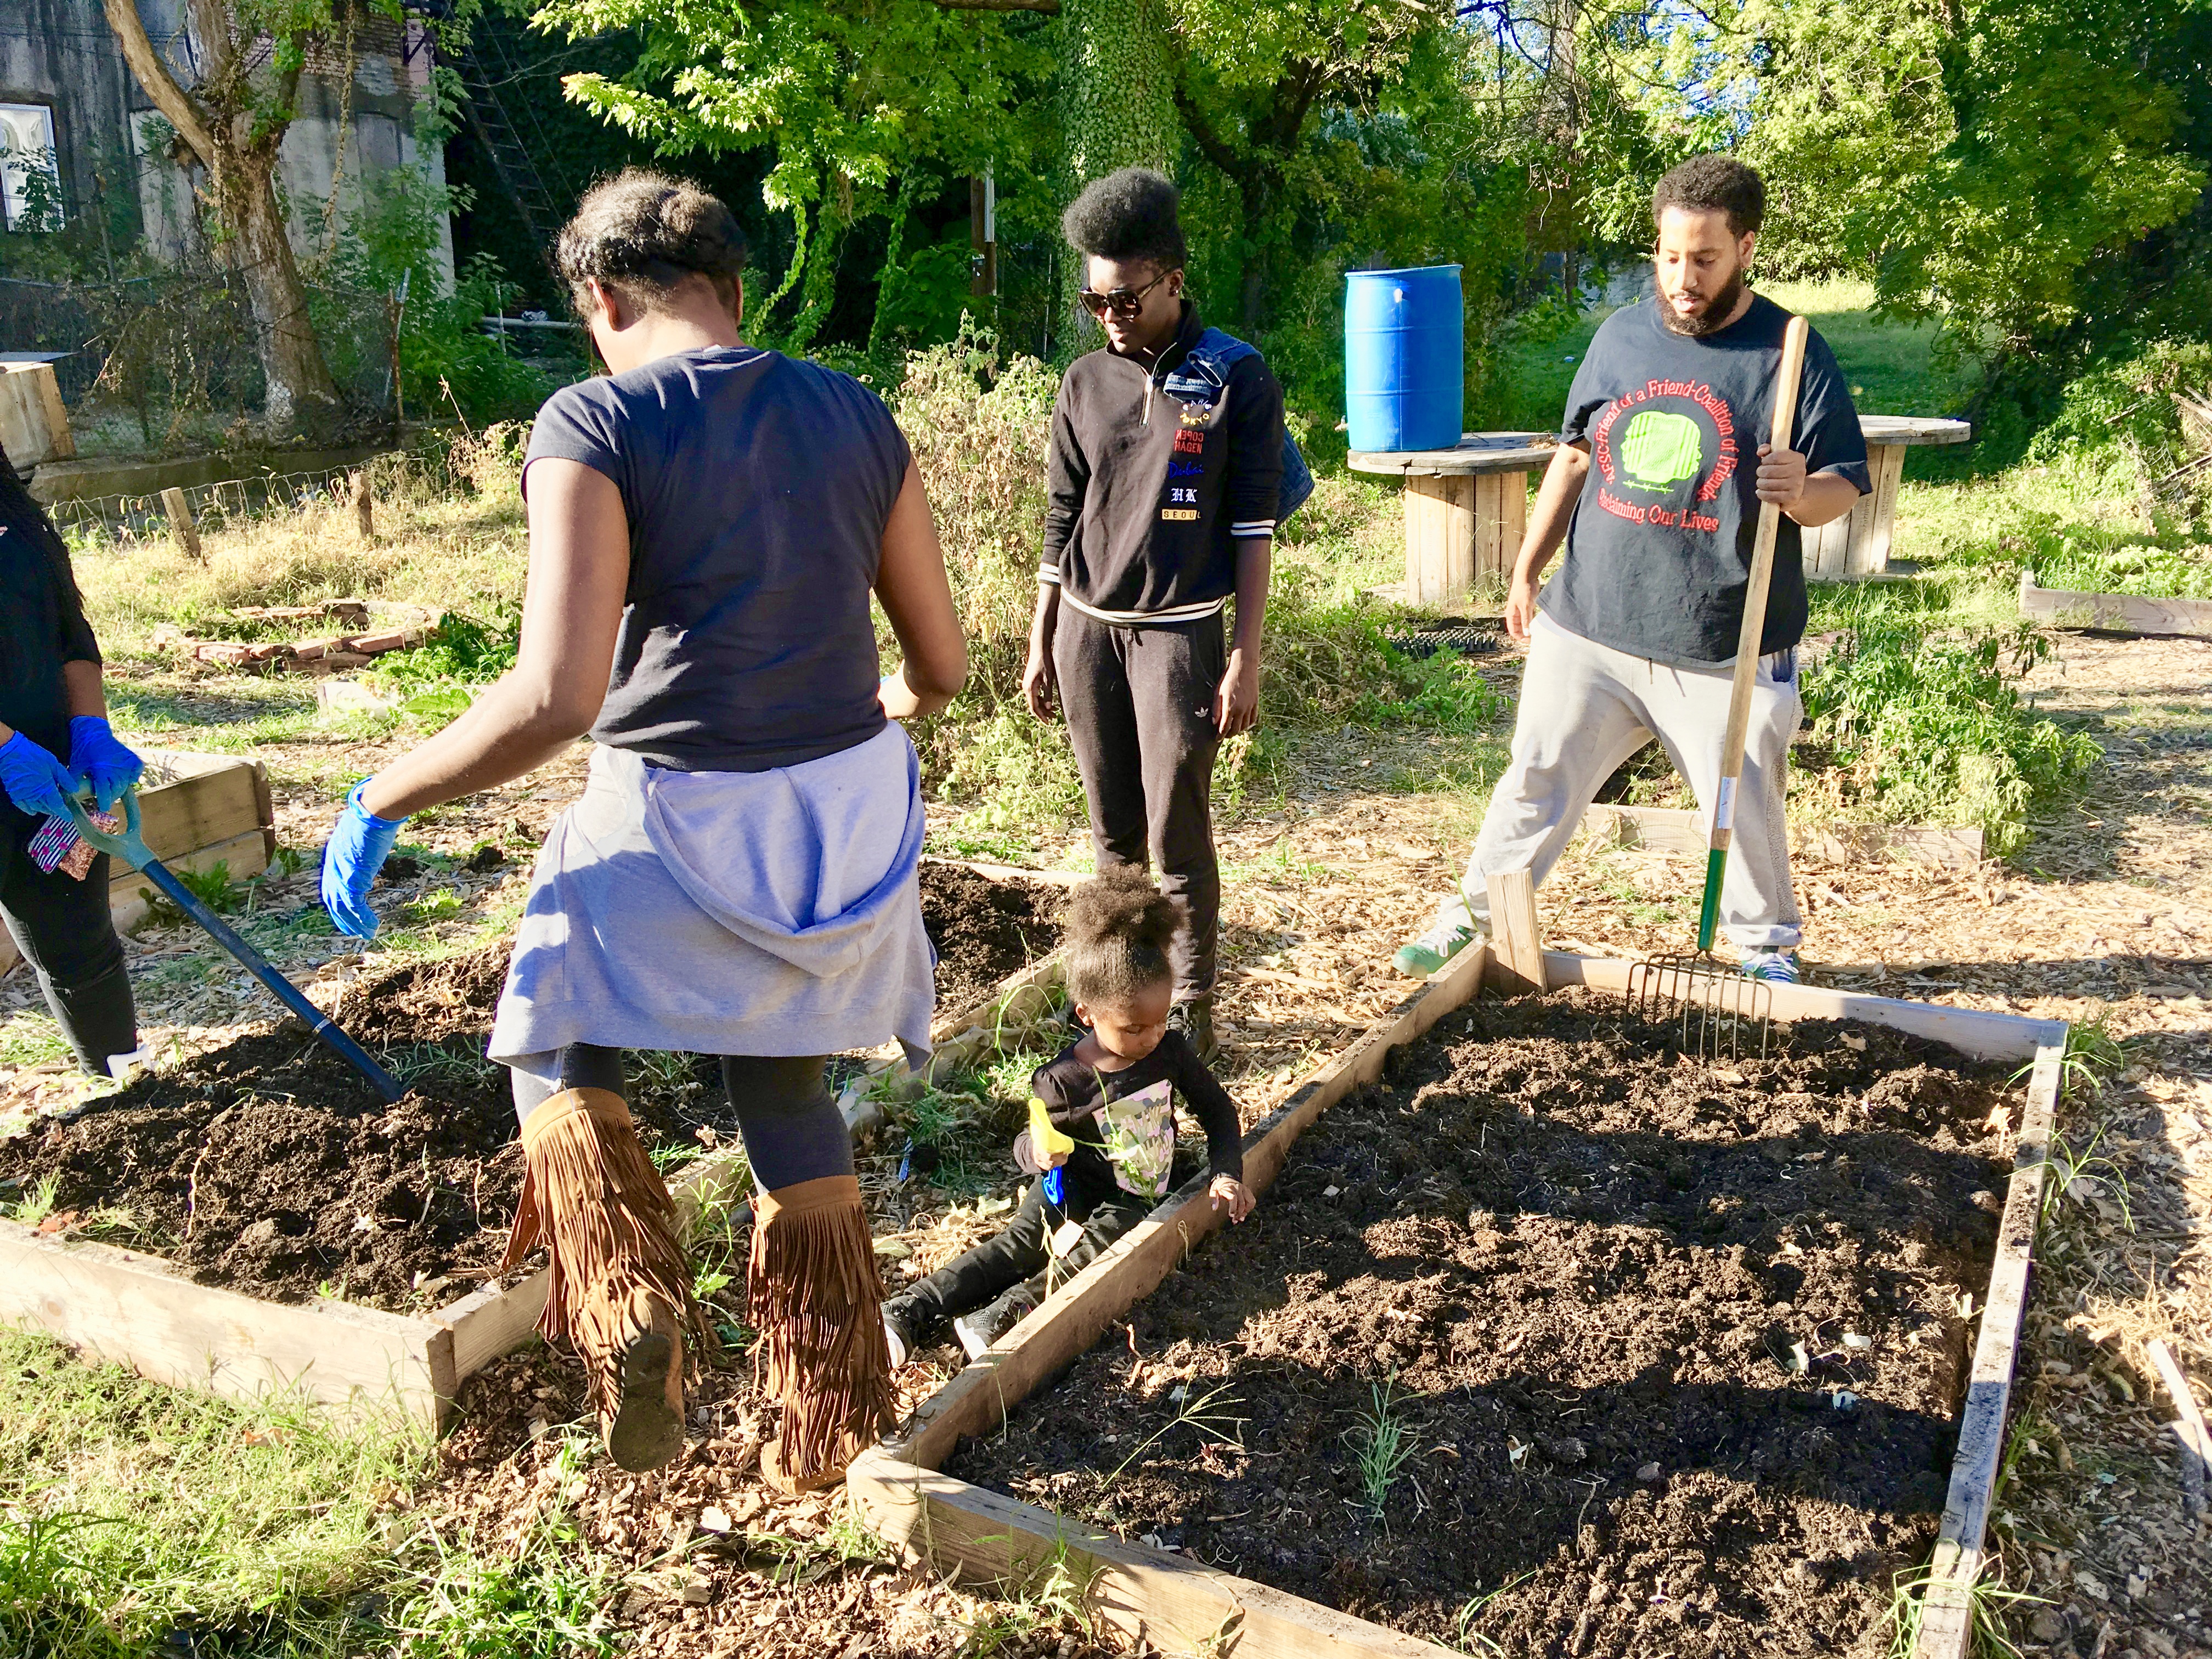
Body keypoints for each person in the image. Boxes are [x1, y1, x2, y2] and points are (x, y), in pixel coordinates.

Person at [316, 171, 968, 1489]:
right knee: (784, 1082)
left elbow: (557, 700)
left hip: (677, 820)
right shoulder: (858, 413)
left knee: (553, 1026)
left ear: (602, 299)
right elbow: (941, 664)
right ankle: (827, 1418)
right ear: (733, 286)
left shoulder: (594, 419)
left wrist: (379, 794)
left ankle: (628, 1310)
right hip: (843, 835)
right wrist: (872, 716)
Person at [1395, 155, 1869, 987]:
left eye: (1706, 259)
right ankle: (1476, 917)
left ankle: (1765, 953)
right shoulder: (1620, 336)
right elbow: (1574, 457)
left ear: (1747, 247)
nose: (1683, 279)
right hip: (1593, 624)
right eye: (1670, 256)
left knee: (1743, 804)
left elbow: (1844, 488)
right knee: (1537, 774)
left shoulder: (1789, 350)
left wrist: (1803, 492)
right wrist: (1527, 565)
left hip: (1723, 640)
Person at [1022, 168, 1287, 1064]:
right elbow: (1062, 515)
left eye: (1124, 298)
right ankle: (1109, 1010)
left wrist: (1244, 655)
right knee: (1112, 838)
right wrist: (1040, 634)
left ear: (1173, 276)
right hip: (1086, 625)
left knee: (1176, 833)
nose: (1108, 316)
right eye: (1092, 300)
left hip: (1178, 631)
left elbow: (1251, 524)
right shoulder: (1084, 380)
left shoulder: (1235, 375)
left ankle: (1187, 1011)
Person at [880, 870, 1252, 1365]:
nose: (1151, 1036)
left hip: (1137, 1192)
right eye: (1134, 1027)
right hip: (1073, 1184)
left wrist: (1226, 1171)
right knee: (1019, 1245)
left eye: (1162, 1020)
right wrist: (1038, 1151)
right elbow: (1026, 1143)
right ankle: (911, 1310)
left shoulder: (1170, 1052)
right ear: (1087, 1015)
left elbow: (1217, 1110)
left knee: (1101, 1248)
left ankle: (1001, 1318)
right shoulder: (1063, 1079)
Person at [0, 437, 143, 1079]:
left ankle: (126, 1100)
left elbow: (69, 633)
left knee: (81, 948)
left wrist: (90, 727)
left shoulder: (16, 518)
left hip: (50, 778)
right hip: (21, 762)